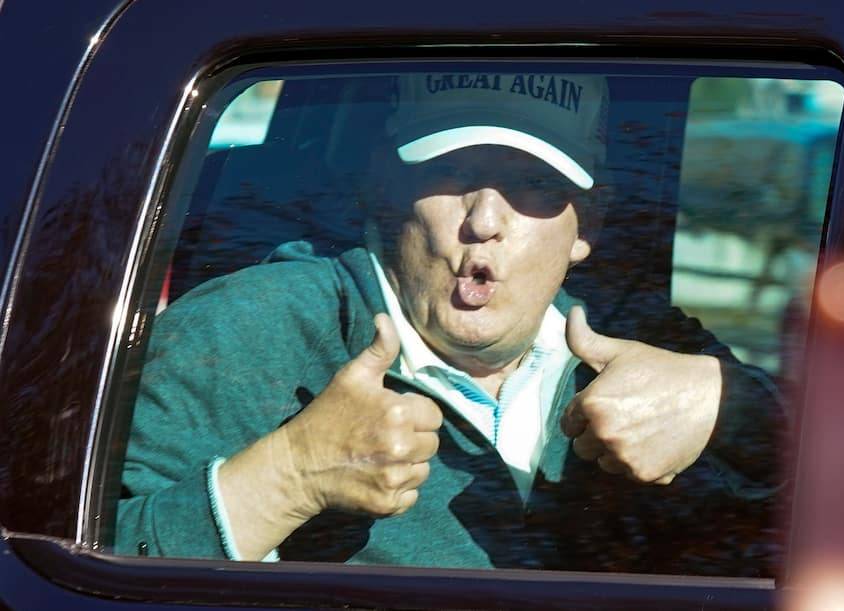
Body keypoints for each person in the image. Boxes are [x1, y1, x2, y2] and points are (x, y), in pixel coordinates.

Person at [116, 72, 784, 571]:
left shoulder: (640, 342)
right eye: (453, 171)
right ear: (384, 189)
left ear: (591, 223)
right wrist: (288, 475)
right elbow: (64, 565)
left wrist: (729, 404)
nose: (486, 221)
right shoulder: (245, 331)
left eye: (535, 184)